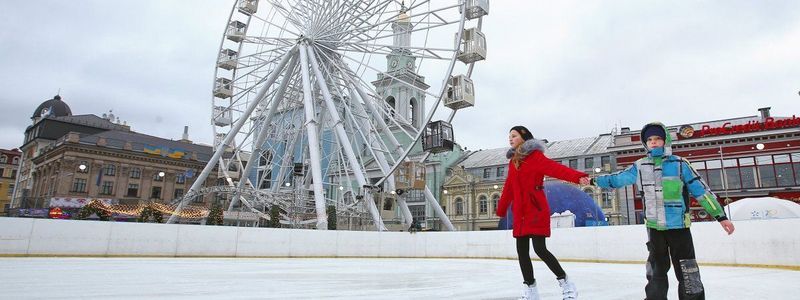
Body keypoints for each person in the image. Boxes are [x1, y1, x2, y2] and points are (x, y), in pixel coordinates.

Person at [591, 122, 735, 300]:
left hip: (679, 228)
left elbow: (702, 192)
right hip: (655, 229)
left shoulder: (680, 164)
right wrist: (593, 181)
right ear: (645, 143)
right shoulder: (640, 166)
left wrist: (721, 216)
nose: (653, 142)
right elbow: (617, 179)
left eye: (658, 138)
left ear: (665, 141)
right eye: (649, 139)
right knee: (656, 270)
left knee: (688, 270)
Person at [496, 126, 591, 300]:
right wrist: (501, 208)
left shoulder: (535, 157)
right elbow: (509, 187)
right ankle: (531, 290)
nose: (510, 139)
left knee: (540, 249)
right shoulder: (513, 161)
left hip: (535, 210)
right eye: (509, 136)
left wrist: (578, 176)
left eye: (514, 135)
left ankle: (566, 284)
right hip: (520, 213)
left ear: (524, 137)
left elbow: (556, 169)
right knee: (522, 252)